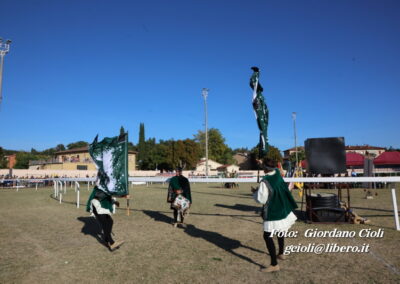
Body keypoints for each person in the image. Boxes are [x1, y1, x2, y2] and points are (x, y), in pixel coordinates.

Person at [252, 159, 298, 272]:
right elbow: (276, 171)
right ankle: (281, 253)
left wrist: (254, 193)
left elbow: (261, 199)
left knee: (267, 236)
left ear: (265, 169)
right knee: (280, 231)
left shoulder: (265, 181)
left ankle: (274, 264)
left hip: (273, 210)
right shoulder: (277, 172)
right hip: (282, 207)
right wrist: (261, 162)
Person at [86, 187, 124, 251]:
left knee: (110, 221)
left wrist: (114, 201)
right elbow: (99, 209)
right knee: (105, 226)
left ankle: (106, 239)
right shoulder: (95, 198)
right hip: (98, 211)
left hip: (102, 211)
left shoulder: (100, 195)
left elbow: (107, 198)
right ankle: (112, 243)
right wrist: (108, 211)